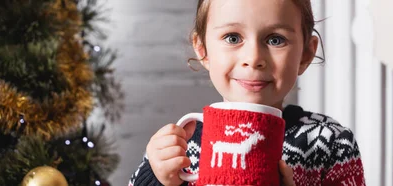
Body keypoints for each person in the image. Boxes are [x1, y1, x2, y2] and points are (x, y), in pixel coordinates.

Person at [129, 0, 365, 185]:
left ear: (305, 54)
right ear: (203, 50)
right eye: (233, 38)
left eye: (275, 40)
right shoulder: (181, 144)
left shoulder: (331, 142)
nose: (253, 59)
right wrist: (157, 179)